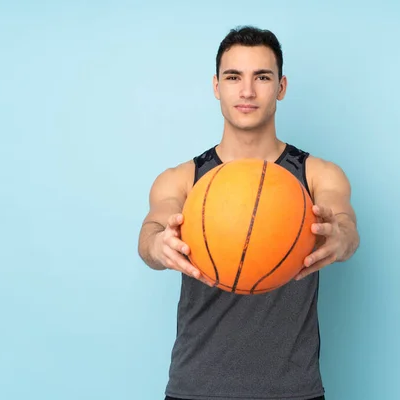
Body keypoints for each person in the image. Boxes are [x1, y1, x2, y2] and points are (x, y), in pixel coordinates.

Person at [137, 25, 360, 400]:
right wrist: (157, 245)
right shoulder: (183, 179)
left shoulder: (318, 175)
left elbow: (346, 227)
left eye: (262, 77)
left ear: (281, 87)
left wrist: (339, 236)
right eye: (233, 76)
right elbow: (152, 230)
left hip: (294, 391)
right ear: (216, 86)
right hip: (196, 388)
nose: (247, 91)